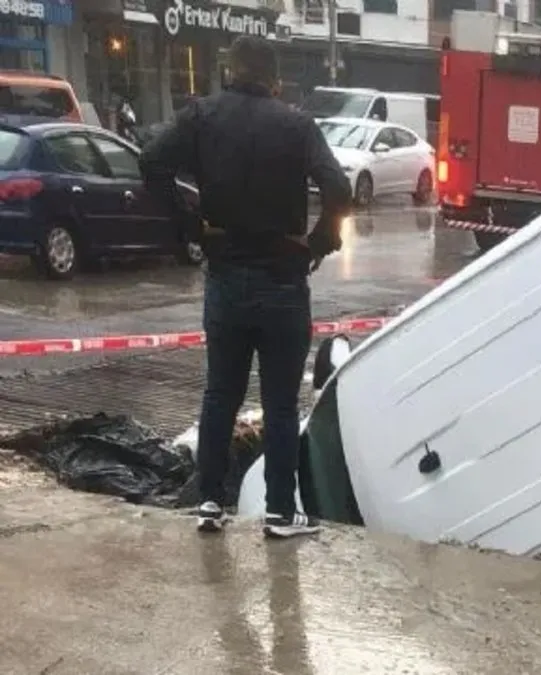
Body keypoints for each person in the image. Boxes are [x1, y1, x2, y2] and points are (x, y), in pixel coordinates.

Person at [140, 36, 353, 538]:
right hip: (283, 278)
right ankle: (281, 511)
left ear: (230, 72)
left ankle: (210, 501)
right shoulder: (297, 125)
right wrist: (321, 242)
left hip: (226, 275)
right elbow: (338, 189)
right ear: (274, 80)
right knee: (281, 403)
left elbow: (152, 163)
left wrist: (190, 225)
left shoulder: (201, 116)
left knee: (220, 395)